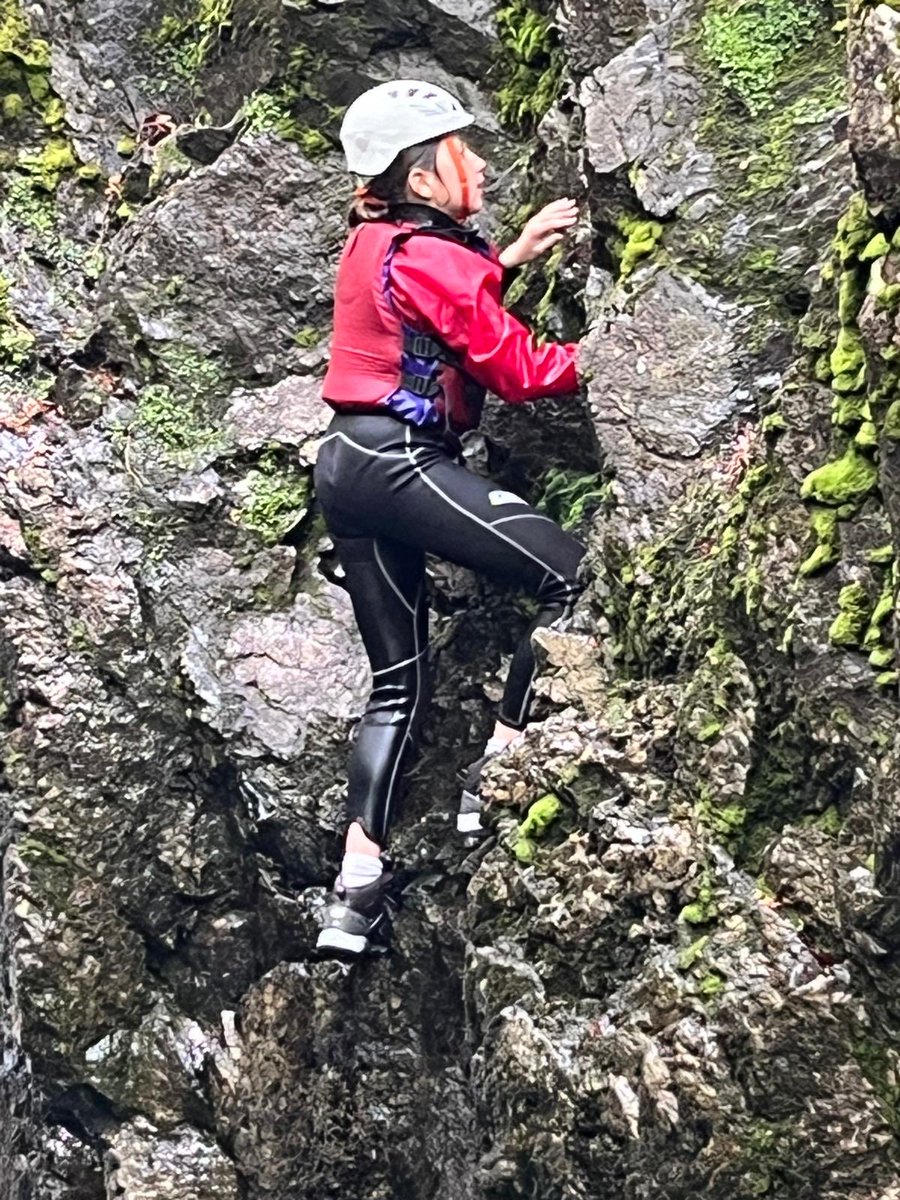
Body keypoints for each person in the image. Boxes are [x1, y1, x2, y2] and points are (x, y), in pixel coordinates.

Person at [314, 79, 585, 958]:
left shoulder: (376, 240)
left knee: (399, 681)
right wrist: (624, 351)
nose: (477, 161)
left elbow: (425, 311)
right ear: (426, 179)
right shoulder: (432, 254)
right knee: (567, 574)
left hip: (347, 466)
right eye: (460, 150)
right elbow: (525, 372)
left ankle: (354, 893)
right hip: (401, 465)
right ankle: (499, 765)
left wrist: (511, 257)